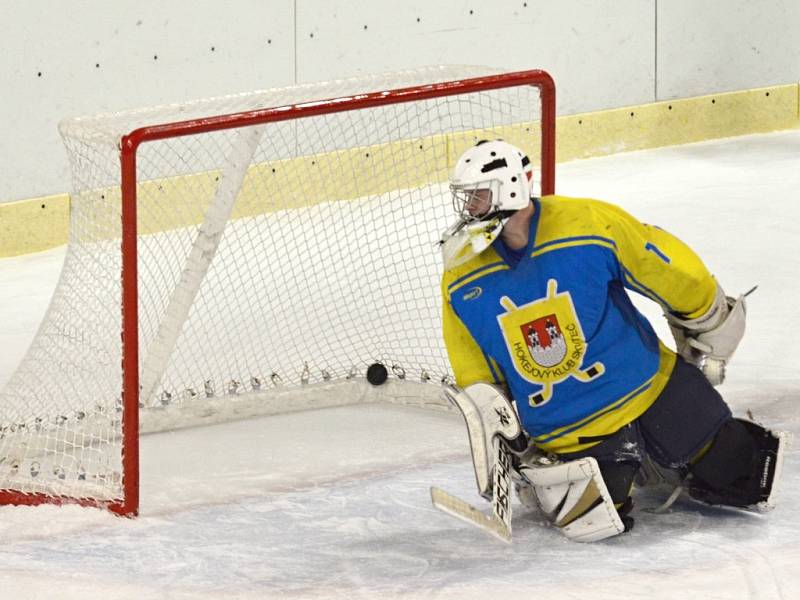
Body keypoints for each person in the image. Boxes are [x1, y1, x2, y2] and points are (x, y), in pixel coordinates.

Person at [438, 139, 785, 541]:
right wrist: (496, 421)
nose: (469, 209)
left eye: (478, 196)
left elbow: (661, 264)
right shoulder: (461, 275)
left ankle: (659, 456)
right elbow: (473, 363)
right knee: (598, 520)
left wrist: (708, 316)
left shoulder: (586, 224)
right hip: (569, 424)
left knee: (737, 470)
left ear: (513, 186)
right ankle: (613, 466)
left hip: (649, 385)